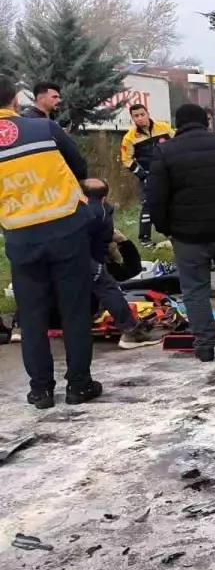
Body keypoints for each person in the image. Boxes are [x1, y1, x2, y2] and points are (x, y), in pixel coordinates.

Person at [0, 74, 101, 409]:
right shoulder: (44, 129)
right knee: (74, 311)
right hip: (65, 232)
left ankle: (40, 391)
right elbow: (79, 166)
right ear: (15, 100)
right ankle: (79, 386)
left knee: (31, 318)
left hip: (21, 238)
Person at [147, 103, 215, 362]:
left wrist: (166, 229)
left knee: (195, 289)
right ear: (205, 121)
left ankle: (204, 345)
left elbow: (156, 197)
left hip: (188, 236)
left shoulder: (165, 151)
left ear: (178, 123)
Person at [79, 179, 159, 349]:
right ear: (104, 197)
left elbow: (128, 270)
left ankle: (21, 326)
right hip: (83, 263)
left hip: (62, 265)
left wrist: (123, 243)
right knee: (105, 285)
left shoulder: (74, 210)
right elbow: (128, 270)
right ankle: (130, 331)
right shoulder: (99, 215)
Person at [119, 103, 174, 245]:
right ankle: (144, 239)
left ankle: (174, 234)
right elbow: (126, 159)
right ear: (132, 118)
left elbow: (176, 144)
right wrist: (142, 175)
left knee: (173, 202)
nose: (140, 118)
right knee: (148, 205)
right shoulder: (129, 137)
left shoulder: (164, 128)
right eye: (136, 116)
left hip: (170, 172)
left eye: (142, 114)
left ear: (148, 113)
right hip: (148, 175)